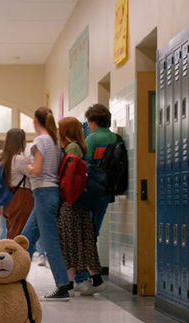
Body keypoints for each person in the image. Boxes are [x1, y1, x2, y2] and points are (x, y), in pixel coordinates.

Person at [20, 107, 70, 301]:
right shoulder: (55, 142)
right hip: (50, 193)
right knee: (26, 238)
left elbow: (38, 170)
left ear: (35, 121)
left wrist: (28, 166)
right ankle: (18, 280)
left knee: (50, 242)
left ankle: (62, 285)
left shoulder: (40, 141)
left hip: (43, 191)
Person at [56, 117, 103, 294]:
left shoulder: (71, 148)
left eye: (60, 129)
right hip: (79, 201)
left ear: (66, 130)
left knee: (69, 241)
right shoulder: (77, 146)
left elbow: (70, 178)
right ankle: (92, 276)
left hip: (71, 201)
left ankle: (70, 281)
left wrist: (65, 199)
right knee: (82, 239)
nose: (58, 132)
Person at [74, 103, 117, 295]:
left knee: (85, 234)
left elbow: (84, 167)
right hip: (107, 194)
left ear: (93, 121)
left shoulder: (91, 140)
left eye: (89, 122)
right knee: (93, 233)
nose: (88, 125)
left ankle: (86, 277)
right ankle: (92, 276)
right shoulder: (116, 138)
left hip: (91, 192)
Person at [0, 128, 33, 239]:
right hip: (22, 198)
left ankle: (10, 255)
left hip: (9, 199)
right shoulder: (19, 159)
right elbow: (35, 175)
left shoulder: (4, 159)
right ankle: (16, 256)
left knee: (12, 232)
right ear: (20, 142)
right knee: (20, 235)